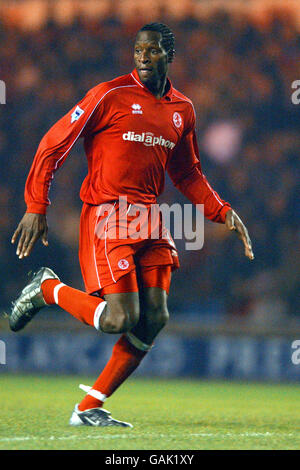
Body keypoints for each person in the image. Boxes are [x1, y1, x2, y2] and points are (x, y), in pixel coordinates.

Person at [10, 23, 254, 427]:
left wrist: (222, 211)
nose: (143, 56)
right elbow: (53, 144)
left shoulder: (183, 110)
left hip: (150, 217)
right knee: (120, 319)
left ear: (168, 55)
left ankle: (88, 408)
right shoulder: (108, 94)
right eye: (138, 49)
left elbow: (187, 173)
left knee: (156, 316)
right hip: (108, 214)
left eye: (153, 50)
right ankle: (47, 289)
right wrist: (36, 204)